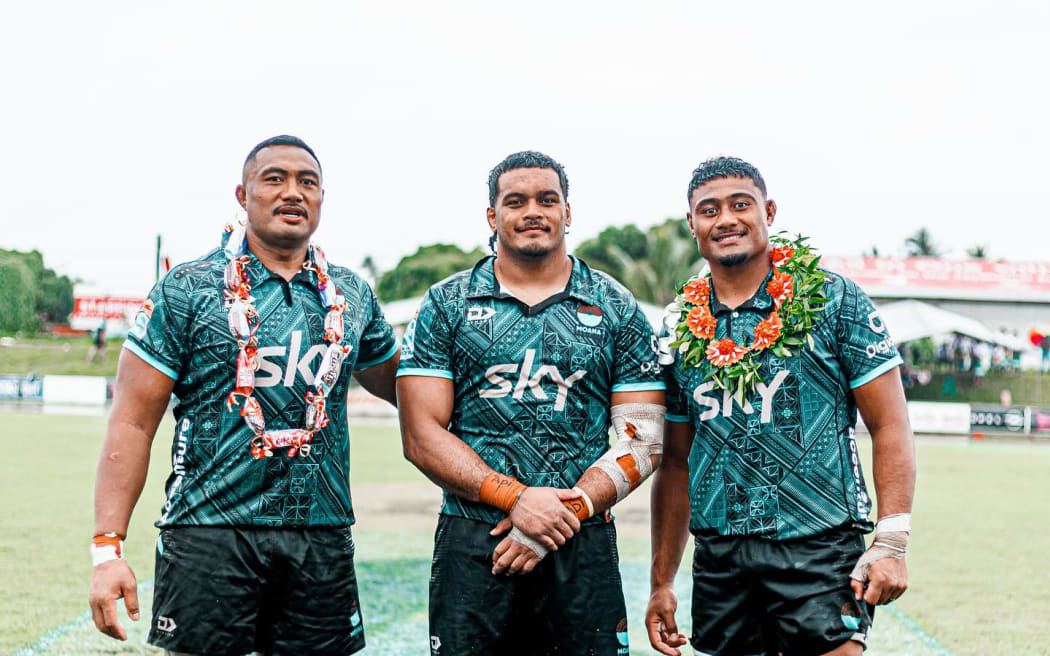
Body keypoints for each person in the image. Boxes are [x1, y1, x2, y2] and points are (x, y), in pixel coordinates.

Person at [88, 135, 400, 655]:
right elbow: (133, 422)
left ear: (322, 197)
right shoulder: (188, 288)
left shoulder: (352, 293)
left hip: (318, 531)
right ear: (243, 194)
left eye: (308, 182)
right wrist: (106, 549)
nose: (292, 192)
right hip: (209, 529)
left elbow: (411, 392)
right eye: (274, 178)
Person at [397, 151, 667, 655]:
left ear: (568, 212)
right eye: (515, 201)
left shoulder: (615, 305)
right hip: (475, 536)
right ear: (492, 216)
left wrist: (567, 510)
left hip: (580, 537)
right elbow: (421, 436)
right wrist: (517, 500)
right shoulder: (446, 304)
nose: (532, 212)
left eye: (548, 199)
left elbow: (645, 437)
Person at [647, 156, 915, 656]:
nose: (725, 219)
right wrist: (662, 581)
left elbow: (890, 424)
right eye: (709, 210)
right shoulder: (678, 328)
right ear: (692, 225)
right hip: (721, 557)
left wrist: (892, 541)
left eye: (740, 204)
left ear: (768, 211)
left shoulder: (834, 300)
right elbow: (678, 460)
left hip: (819, 546)